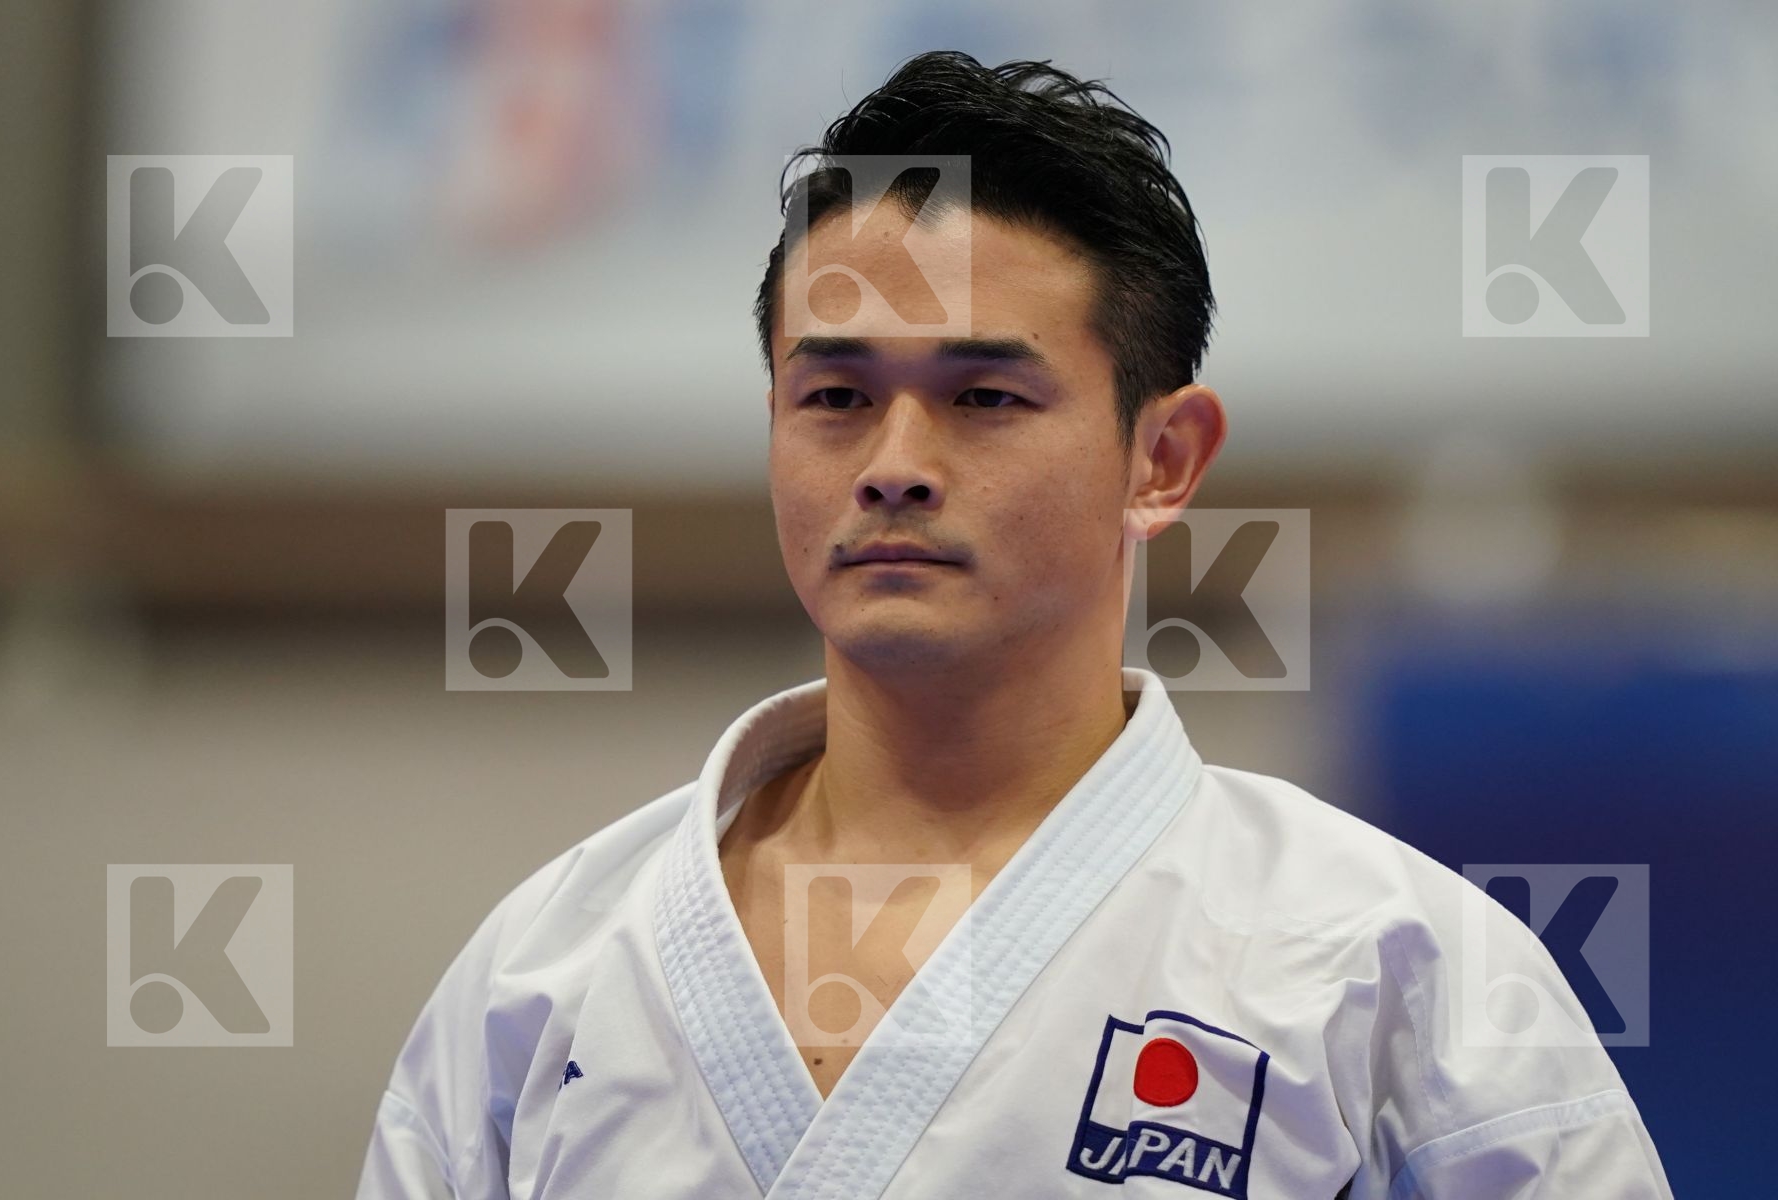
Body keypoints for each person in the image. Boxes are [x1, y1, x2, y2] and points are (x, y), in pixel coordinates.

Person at [357, 50, 1672, 1198]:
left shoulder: (1397, 977)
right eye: (834, 396)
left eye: (984, 396)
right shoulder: (548, 971)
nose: (894, 462)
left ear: (1162, 457)